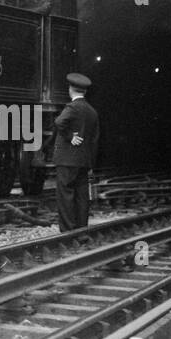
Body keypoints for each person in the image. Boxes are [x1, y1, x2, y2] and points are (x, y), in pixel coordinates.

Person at [52, 72, 99, 231]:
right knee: (81, 197)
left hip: (67, 160)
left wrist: (70, 136)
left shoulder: (72, 107)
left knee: (65, 195)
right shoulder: (92, 111)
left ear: (71, 89)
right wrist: (90, 161)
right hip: (84, 161)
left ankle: (68, 231)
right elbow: (95, 139)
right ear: (85, 91)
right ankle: (81, 230)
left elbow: (59, 122)